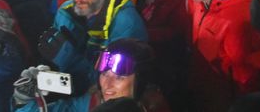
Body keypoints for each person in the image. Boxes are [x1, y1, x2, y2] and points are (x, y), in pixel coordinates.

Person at [44, 0, 146, 92]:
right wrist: (44, 78)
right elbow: (55, 67)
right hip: (72, 88)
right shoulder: (66, 12)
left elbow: (110, 86)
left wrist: (70, 59)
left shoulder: (126, 23)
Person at [14, 39, 158, 112]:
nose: (107, 84)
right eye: (104, 74)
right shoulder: (92, 102)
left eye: (119, 77)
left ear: (141, 82)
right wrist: (24, 99)